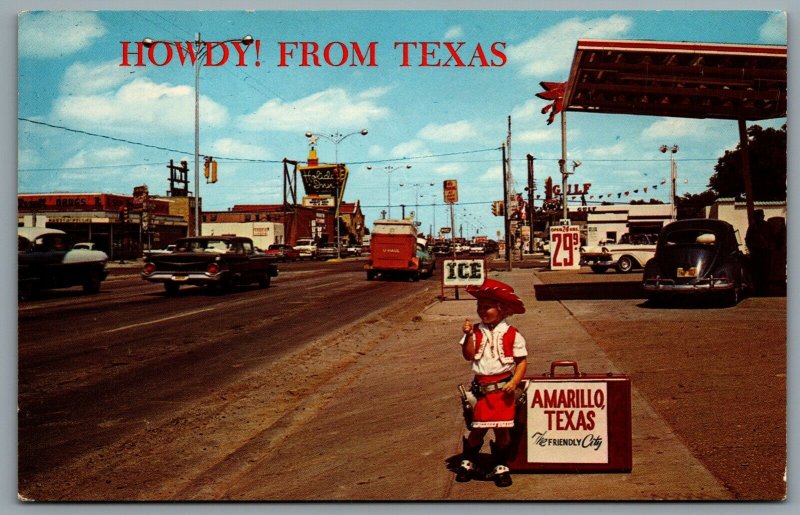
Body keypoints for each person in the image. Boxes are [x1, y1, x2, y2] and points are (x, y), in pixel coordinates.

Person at [456, 278, 528, 487]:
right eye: (480, 307)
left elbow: (521, 361)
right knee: (477, 428)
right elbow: (468, 356)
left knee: (502, 429)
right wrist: (468, 336)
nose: (482, 311)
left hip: (503, 390)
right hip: (482, 390)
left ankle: (501, 465)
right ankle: (468, 460)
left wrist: (515, 381)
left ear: (502, 309)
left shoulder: (512, 334)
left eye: (487, 307)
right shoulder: (476, 331)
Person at [745, 209, 771, 295]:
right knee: (758, 273)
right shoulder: (754, 227)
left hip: (763, 253)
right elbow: (748, 240)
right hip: (758, 253)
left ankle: (763, 290)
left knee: (763, 273)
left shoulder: (765, 226)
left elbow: (748, 240)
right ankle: (760, 290)